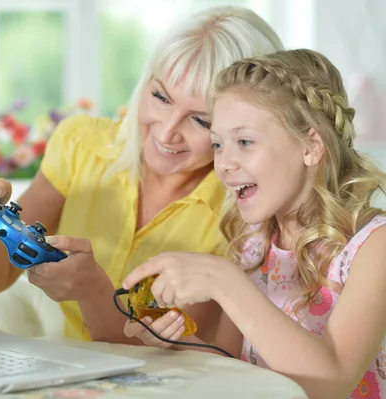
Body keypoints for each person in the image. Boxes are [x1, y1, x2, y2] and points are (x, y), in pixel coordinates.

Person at [0, 5, 283, 344]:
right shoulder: (81, 145)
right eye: (161, 97)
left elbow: (181, 355)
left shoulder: (244, 209)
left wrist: (94, 292)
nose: (167, 133)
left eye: (201, 121)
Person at [123, 48, 386, 398]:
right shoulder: (254, 243)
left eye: (244, 142)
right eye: (218, 144)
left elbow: (332, 382)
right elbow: (235, 365)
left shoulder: (373, 247)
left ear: (311, 146)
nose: (225, 163)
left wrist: (226, 282)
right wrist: (179, 341)